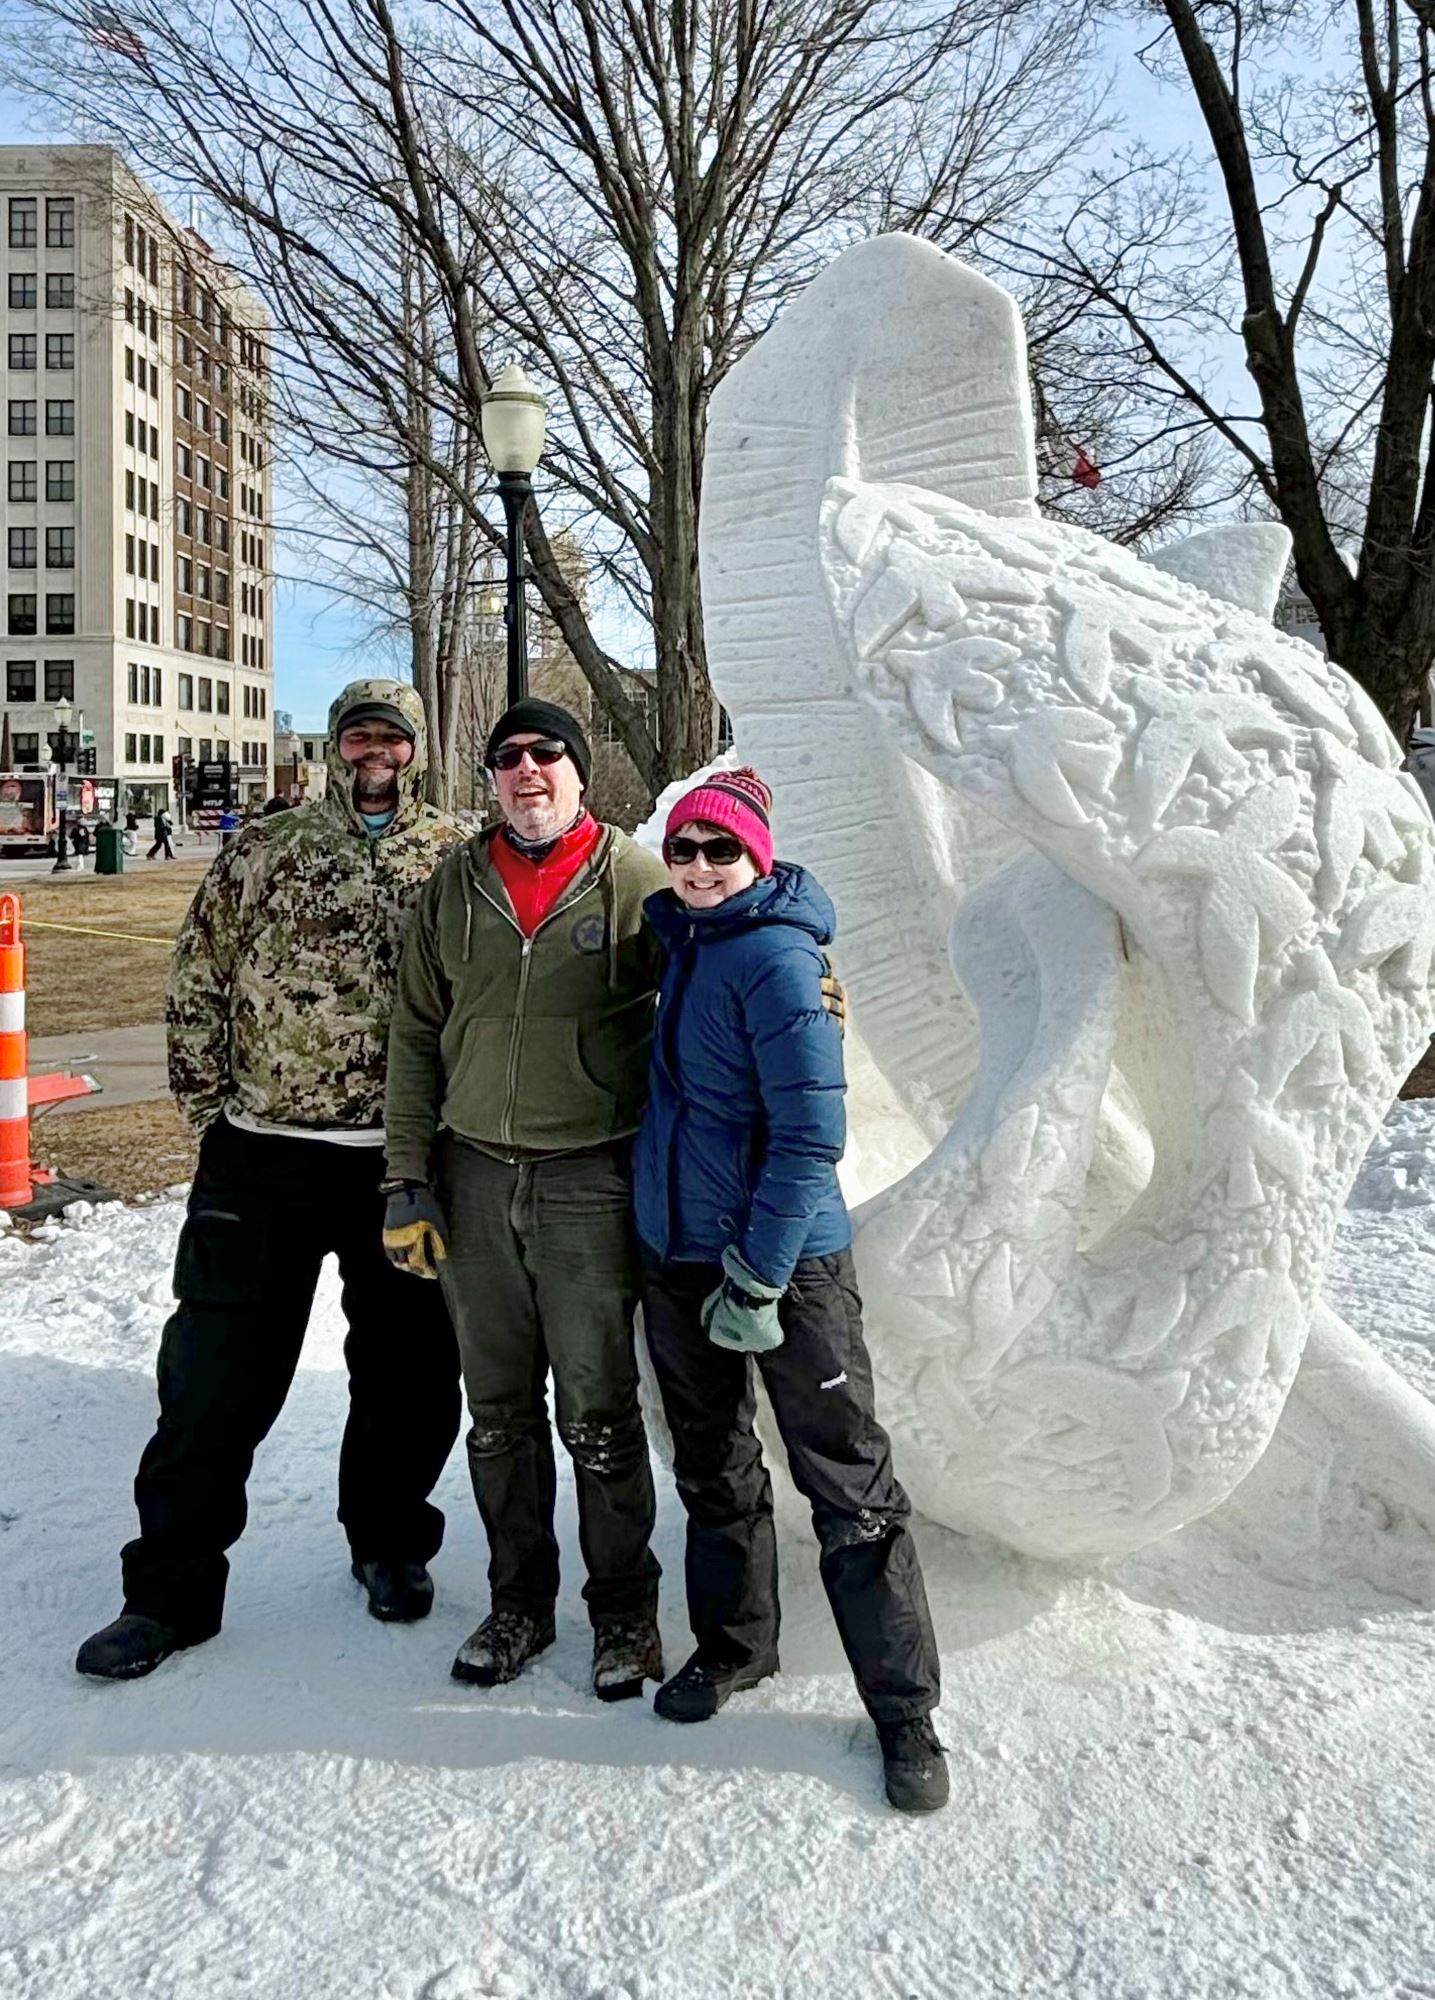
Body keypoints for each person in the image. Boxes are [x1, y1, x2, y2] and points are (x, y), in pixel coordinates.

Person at [75, 679, 467, 1681]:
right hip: (262, 1156)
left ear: (416, 750)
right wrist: (212, 1118)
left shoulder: (456, 856)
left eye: (392, 737)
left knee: (411, 1373)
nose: (375, 751)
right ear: (336, 747)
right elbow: (197, 976)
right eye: (358, 735)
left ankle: (389, 1542)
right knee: (212, 1378)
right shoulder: (265, 847)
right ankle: (167, 1591)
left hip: (401, 1162)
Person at [633, 768, 948, 1814]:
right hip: (680, 1255)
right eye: (684, 849)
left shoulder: (777, 957)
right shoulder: (684, 944)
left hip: (786, 1268)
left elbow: (812, 1135)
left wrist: (762, 1271)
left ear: (758, 859)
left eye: (721, 850)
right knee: (714, 1464)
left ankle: (904, 1710)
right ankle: (736, 1645)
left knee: (847, 1481)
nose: (699, 867)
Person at [383, 698, 667, 1703]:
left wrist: (805, 982)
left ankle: (624, 1611)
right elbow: (415, 1033)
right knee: (498, 1412)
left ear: (580, 771)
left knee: (598, 1409)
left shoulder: (635, 878)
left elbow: (720, 962)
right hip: (473, 1178)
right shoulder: (455, 886)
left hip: (588, 1180)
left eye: (548, 752)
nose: (528, 769)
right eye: (508, 757)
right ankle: (520, 1602)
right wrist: (406, 1178)